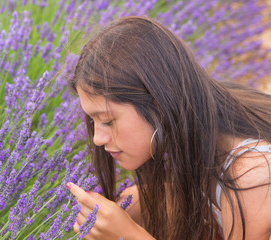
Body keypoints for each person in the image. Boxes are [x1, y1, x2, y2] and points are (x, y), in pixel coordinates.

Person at [66, 16, 271, 240]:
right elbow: (172, 195)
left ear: (159, 105)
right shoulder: (205, 132)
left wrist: (129, 235)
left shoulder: (254, 181)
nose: (97, 138)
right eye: (93, 121)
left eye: (107, 120)